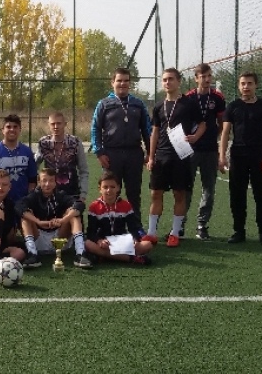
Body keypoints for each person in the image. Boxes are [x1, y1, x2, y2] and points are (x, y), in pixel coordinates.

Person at [144, 68, 206, 248]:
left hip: (181, 156)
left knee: (180, 194)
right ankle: (151, 233)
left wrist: (195, 137)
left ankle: (175, 233)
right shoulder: (158, 106)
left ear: (179, 81)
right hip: (161, 157)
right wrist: (151, 157)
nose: (167, 82)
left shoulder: (189, 103)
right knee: (156, 194)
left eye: (171, 79)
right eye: (164, 79)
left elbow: (203, 124)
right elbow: (155, 132)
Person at [91, 67, 152, 235]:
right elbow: (95, 128)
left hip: (134, 154)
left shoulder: (138, 104)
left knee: (134, 193)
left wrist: (150, 153)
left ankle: (136, 228)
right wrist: (99, 152)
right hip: (111, 154)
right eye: (119, 80)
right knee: (110, 192)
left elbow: (147, 129)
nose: (122, 84)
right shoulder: (104, 104)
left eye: (126, 81)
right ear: (113, 82)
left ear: (130, 83)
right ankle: (108, 227)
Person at [218, 71, 262, 246]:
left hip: (259, 155)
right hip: (238, 155)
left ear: (256, 85)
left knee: (261, 194)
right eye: (243, 83)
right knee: (237, 195)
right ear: (239, 86)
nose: (246, 87)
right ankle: (239, 231)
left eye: (249, 83)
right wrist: (222, 156)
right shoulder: (233, 107)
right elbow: (225, 133)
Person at [183, 63, 226, 240]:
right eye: (203, 76)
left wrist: (212, 137)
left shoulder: (217, 97)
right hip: (190, 150)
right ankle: (180, 224)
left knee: (209, 188)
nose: (207, 79)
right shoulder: (188, 98)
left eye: (209, 76)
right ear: (196, 78)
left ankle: (202, 225)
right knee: (186, 187)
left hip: (210, 150)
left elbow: (222, 124)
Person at [15, 168, 88, 268]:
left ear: (55, 182)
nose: (47, 184)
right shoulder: (34, 195)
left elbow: (79, 204)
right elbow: (18, 206)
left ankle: (80, 254)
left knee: (73, 213)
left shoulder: (61, 195)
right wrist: (38, 221)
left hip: (60, 237)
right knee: (26, 216)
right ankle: (32, 254)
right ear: (39, 182)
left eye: (51, 180)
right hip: (38, 238)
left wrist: (63, 220)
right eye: (44, 180)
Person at [84, 171, 154, 266]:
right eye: (105, 187)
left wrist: (135, 239)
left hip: (122, 241)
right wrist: (99, 240)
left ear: (118, 188)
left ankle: (104, 256)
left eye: (112, 187)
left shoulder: (126, 205)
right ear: (100, 189)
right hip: (105, 243)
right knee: (88, 244)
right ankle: (131, 259)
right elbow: (91, 232)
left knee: (148, 245)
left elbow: (133, 228)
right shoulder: (94, 206)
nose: (109, 190)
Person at [35, 111, 89, 203]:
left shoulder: (75, 142)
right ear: (49, 125)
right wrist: (39, 185)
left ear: (65, 124)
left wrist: (83, 195)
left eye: (59, 123)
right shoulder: (44, 143)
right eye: (53, 124)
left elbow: (83, 170)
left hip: (72, 193)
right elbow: (34, 166)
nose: (56, 126)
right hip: (49, 194)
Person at [0, 113, 37, 204]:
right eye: (8, 127)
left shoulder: (27, 151)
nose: (12, 129)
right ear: (2, 130)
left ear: (20, 130)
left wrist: (29, 199)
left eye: (15, 127)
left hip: (22, 202)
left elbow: (32, 179)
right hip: (1, 202)